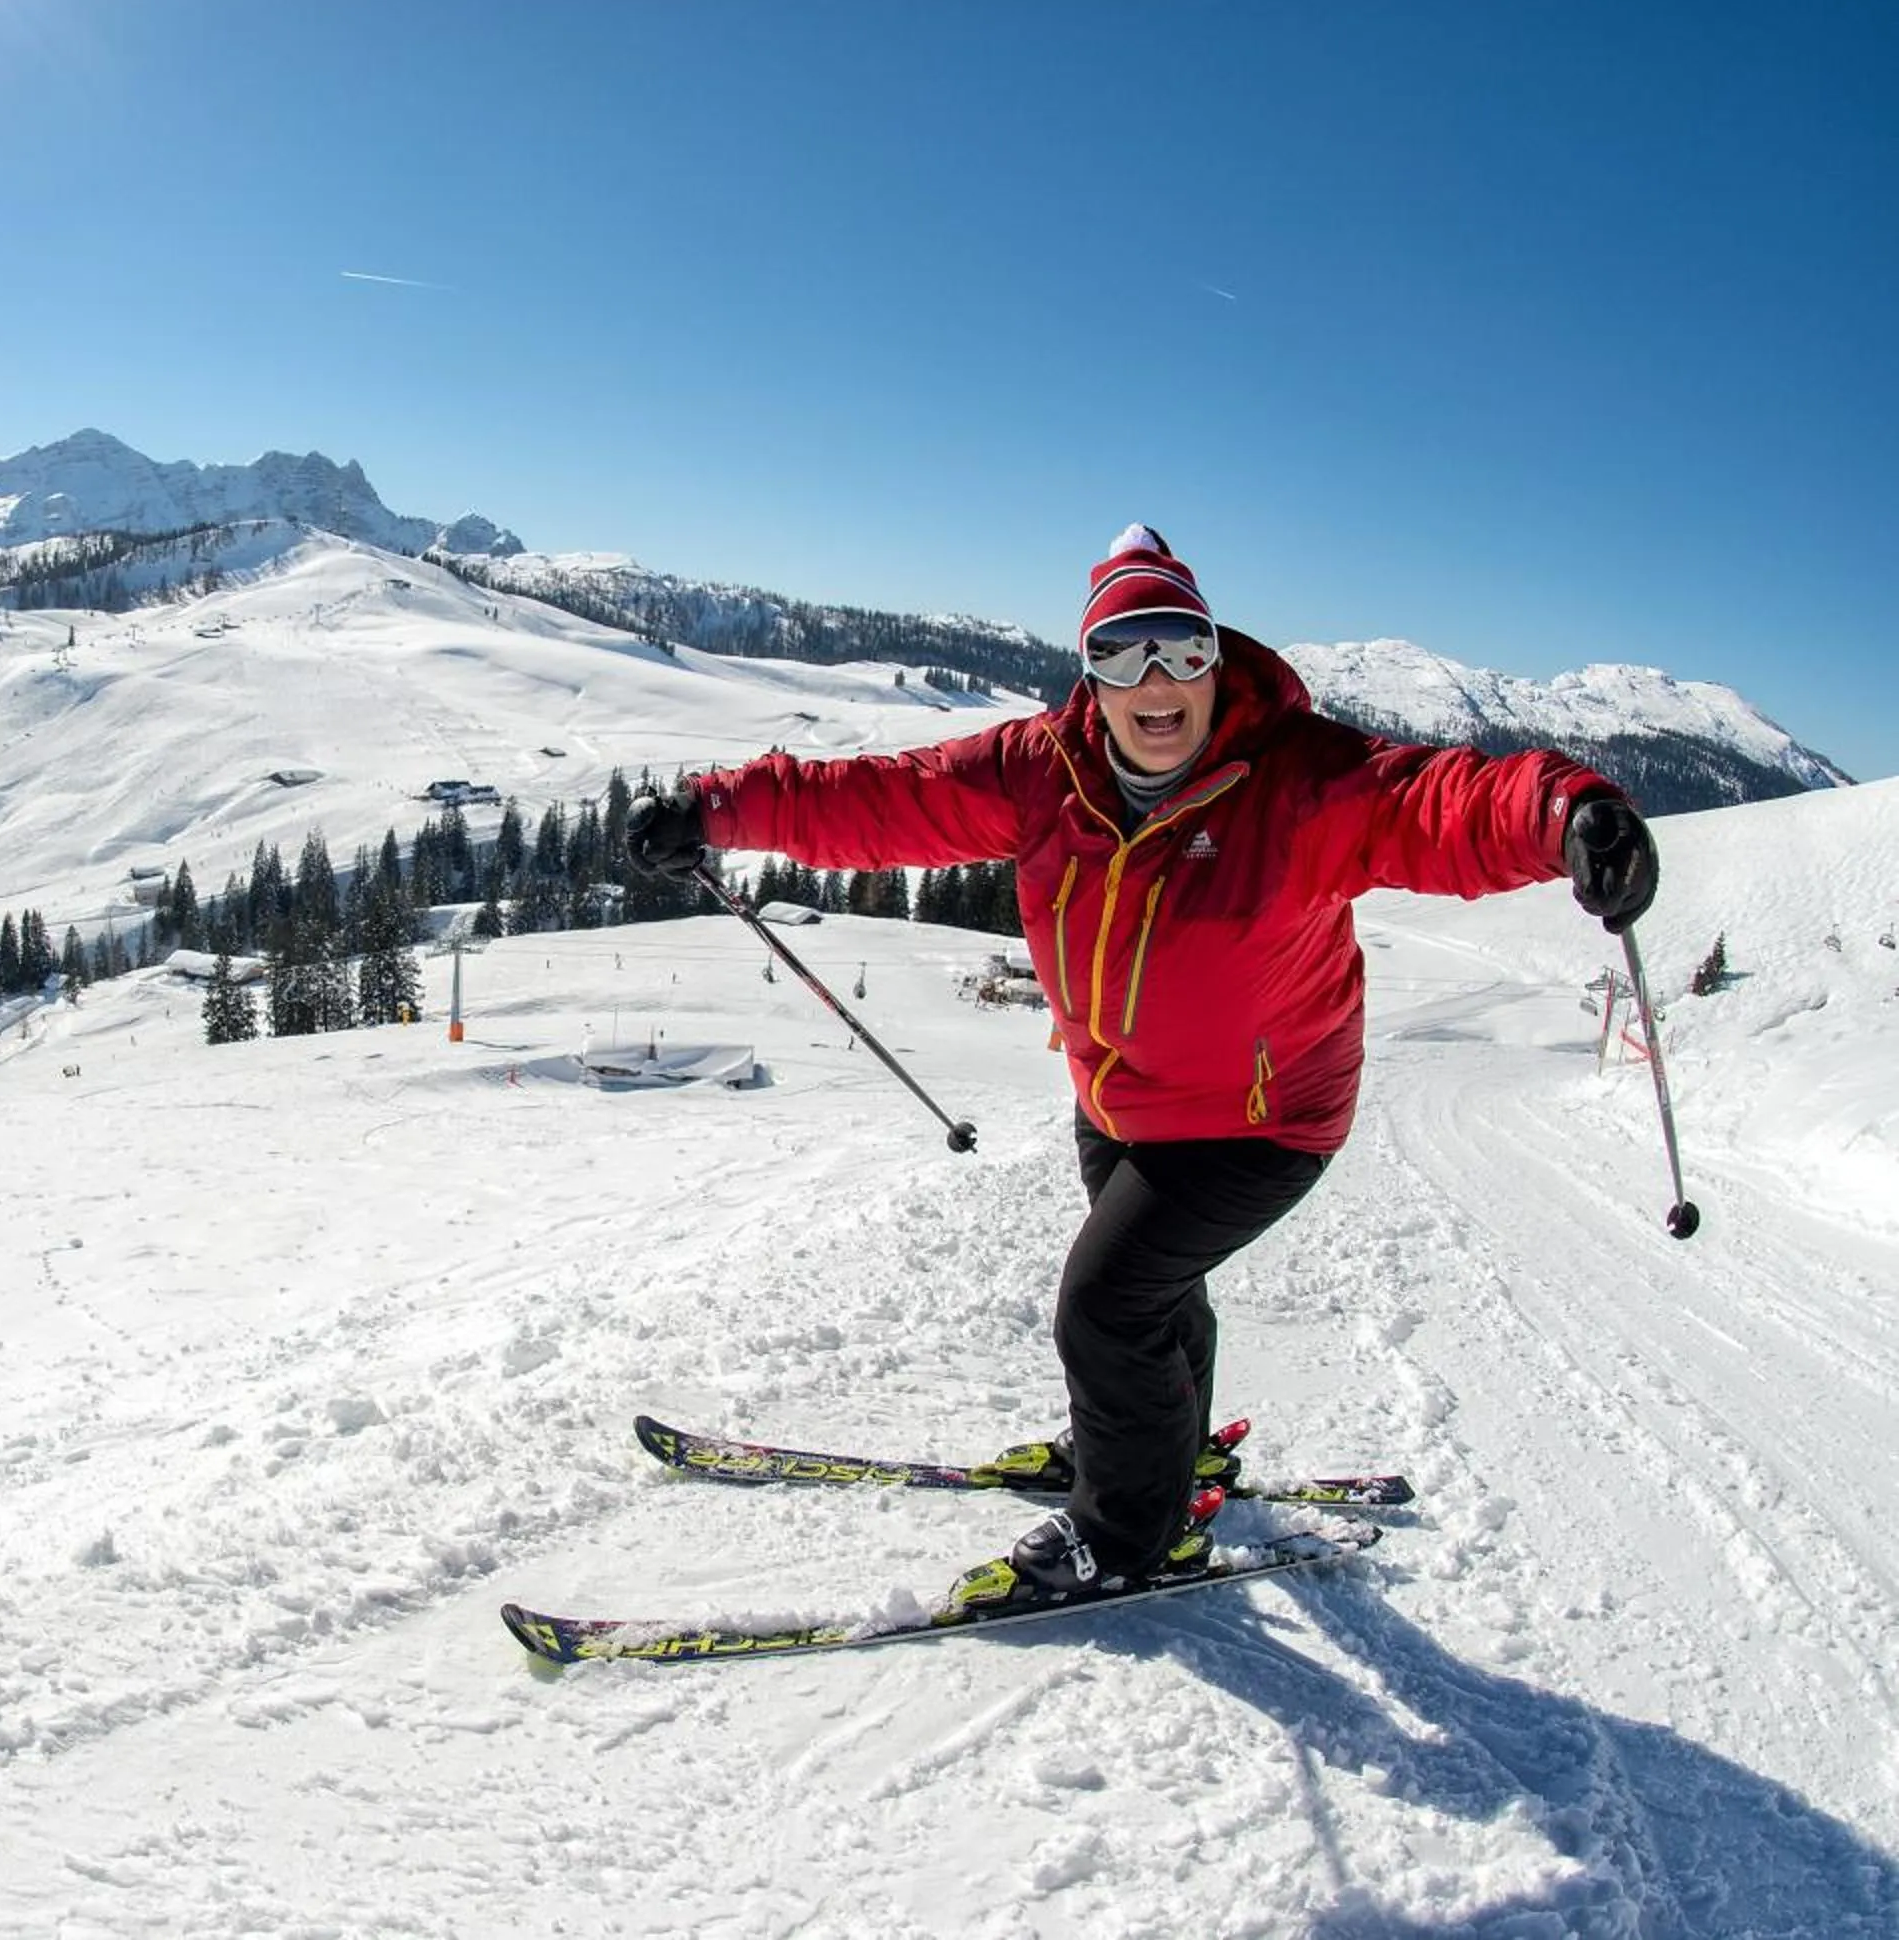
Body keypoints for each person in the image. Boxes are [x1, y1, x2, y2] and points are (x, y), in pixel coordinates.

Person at [625, 525, 1658, 1607]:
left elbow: (1437, 801)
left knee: (1105, 1306)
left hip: (1262, 1120)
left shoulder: (1299, 785)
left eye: (1180, 649)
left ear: (1217, 659)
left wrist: (1566, 813)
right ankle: (1166, 1459)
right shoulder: (1040, 774)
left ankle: (1131, 1534)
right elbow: (885, 796)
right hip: (1117, 1099)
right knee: (1156, 1296)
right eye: (1122, 654)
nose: (1154, 681)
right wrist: (717, 809)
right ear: (1090, 677)